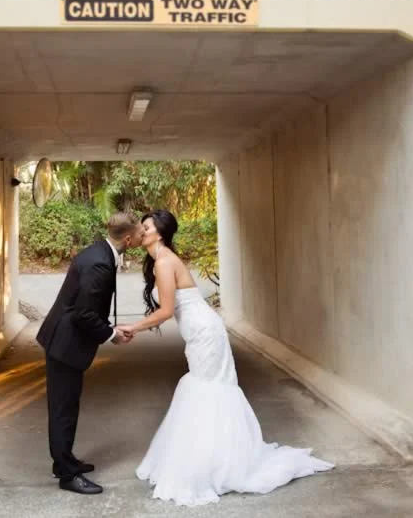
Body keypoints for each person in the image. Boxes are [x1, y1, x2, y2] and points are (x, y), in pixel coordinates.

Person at [118, 209, 334, 506]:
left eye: (146, 227)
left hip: (206, 333)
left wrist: (133, 327)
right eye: (141, 227)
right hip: (198, 333)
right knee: (203, 388)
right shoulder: (159, 261)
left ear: (160, 233)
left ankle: (218, 465)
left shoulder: (165, 261)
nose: (141, 231)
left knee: (208, 390)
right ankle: (213, 459)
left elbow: (167, 311)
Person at [36, 212, 144, 495]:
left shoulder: (98, 250)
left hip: (63, 340)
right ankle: (67, 475)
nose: (144, 237)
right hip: (65, 344)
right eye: (141, 234)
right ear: (129, 238)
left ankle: (65, 460)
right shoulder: (100, 263)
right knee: (63, 410)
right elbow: (84, 313)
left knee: (66, 406)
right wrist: (111, 334)